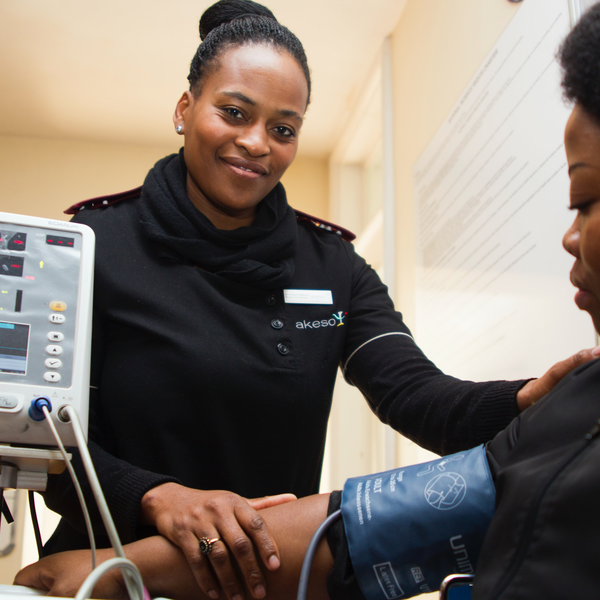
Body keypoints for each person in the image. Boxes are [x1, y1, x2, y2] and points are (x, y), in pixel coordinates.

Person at [35, 1, 598, 600]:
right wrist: (160, 498)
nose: (256, 143)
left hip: (260, 575)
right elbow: (44, 435)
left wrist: (522, 401)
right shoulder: (92, 246)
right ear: (184, 109)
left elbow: (413, 393)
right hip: (101, 573)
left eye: (283, 128)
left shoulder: (332, 271)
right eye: (233, 112)